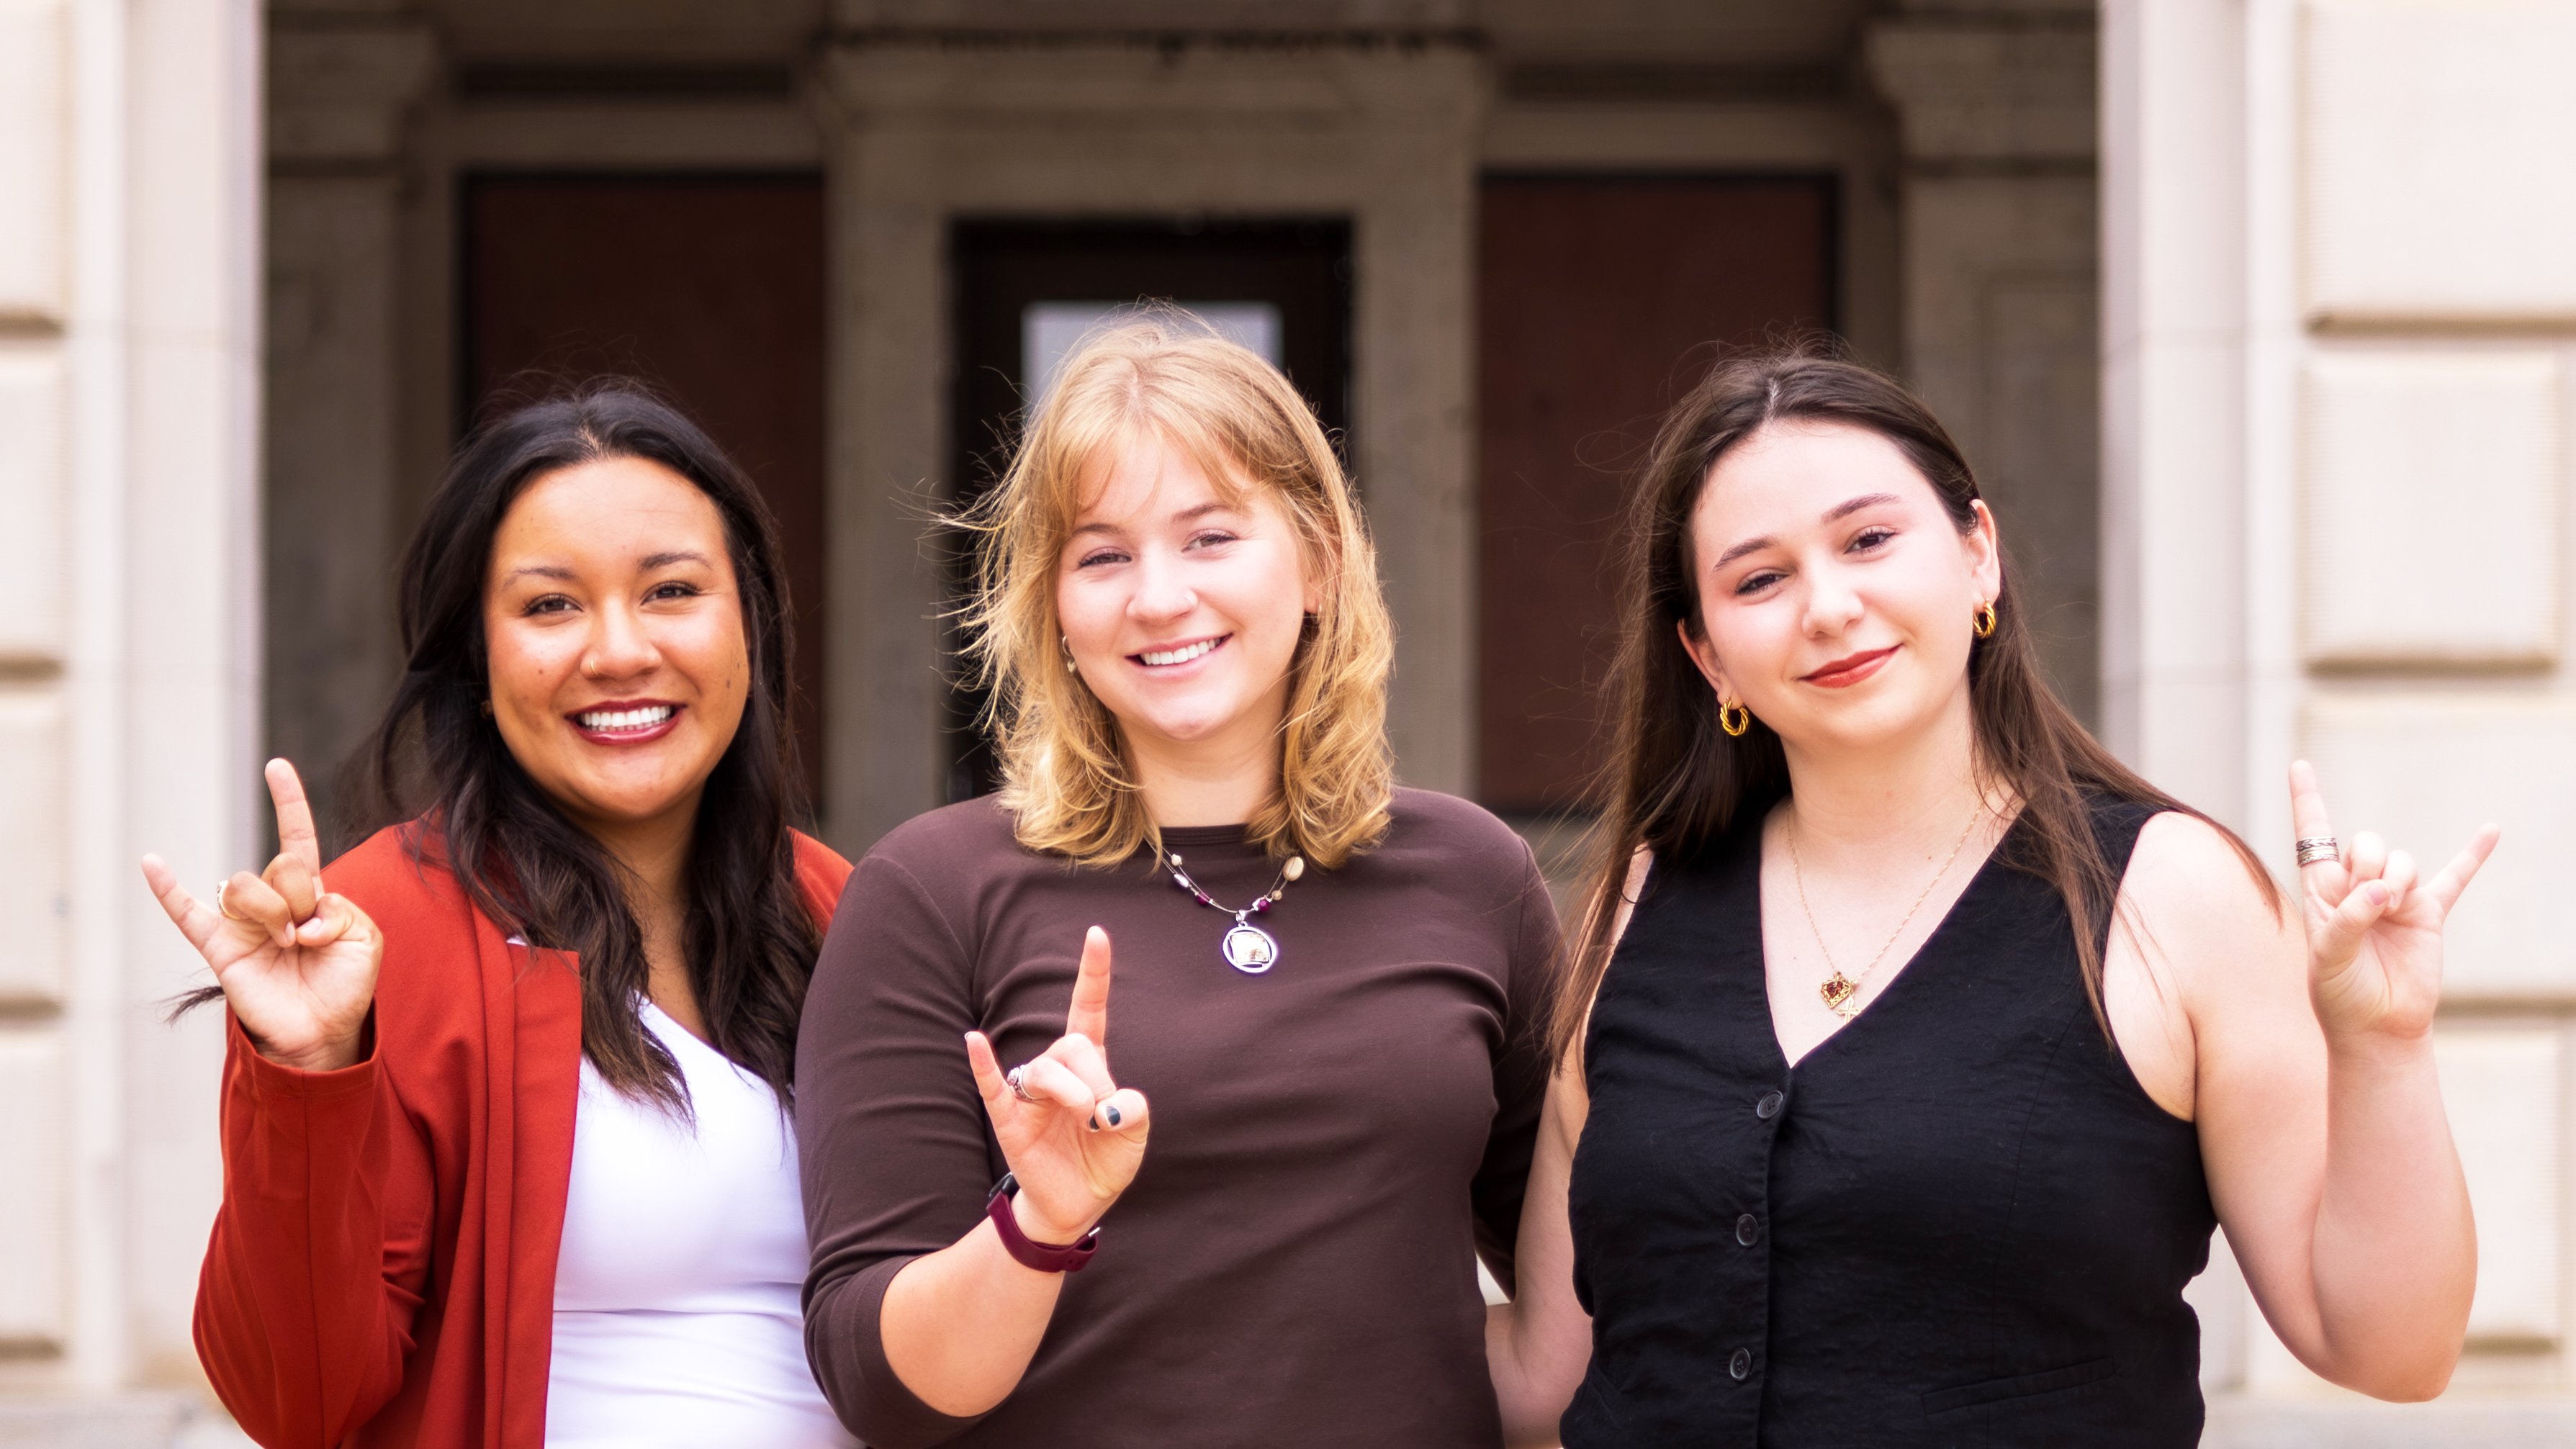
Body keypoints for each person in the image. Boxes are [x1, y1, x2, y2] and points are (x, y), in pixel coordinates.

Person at [1481, 349, 2498, 1446]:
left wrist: (2381, 1046)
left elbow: (2390, 1350)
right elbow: (1547, 1371)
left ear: (1977, 558)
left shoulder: (2168, 896)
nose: (1827, 605)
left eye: (1869, 540)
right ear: (1707, 655)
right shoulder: (1634, 906)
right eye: (1757, 579)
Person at [796, 317, 1560, 1449]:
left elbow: (1575, 1316)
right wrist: (1038, 1222)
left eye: (1208, 537)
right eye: (1102, 555)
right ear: (1053, 609)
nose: (1157, 597)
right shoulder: (932, 887)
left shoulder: (1473, 874)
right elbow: (881, 1389)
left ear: (1318, 561)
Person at [143, 387, 857, 1449]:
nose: (618, 651)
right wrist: (307, 1070)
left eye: (670, 590)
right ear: (477, 661)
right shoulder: (381, 927)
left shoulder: (834, 904)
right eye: (550, 606)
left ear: (746, 621)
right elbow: (298, 1401)